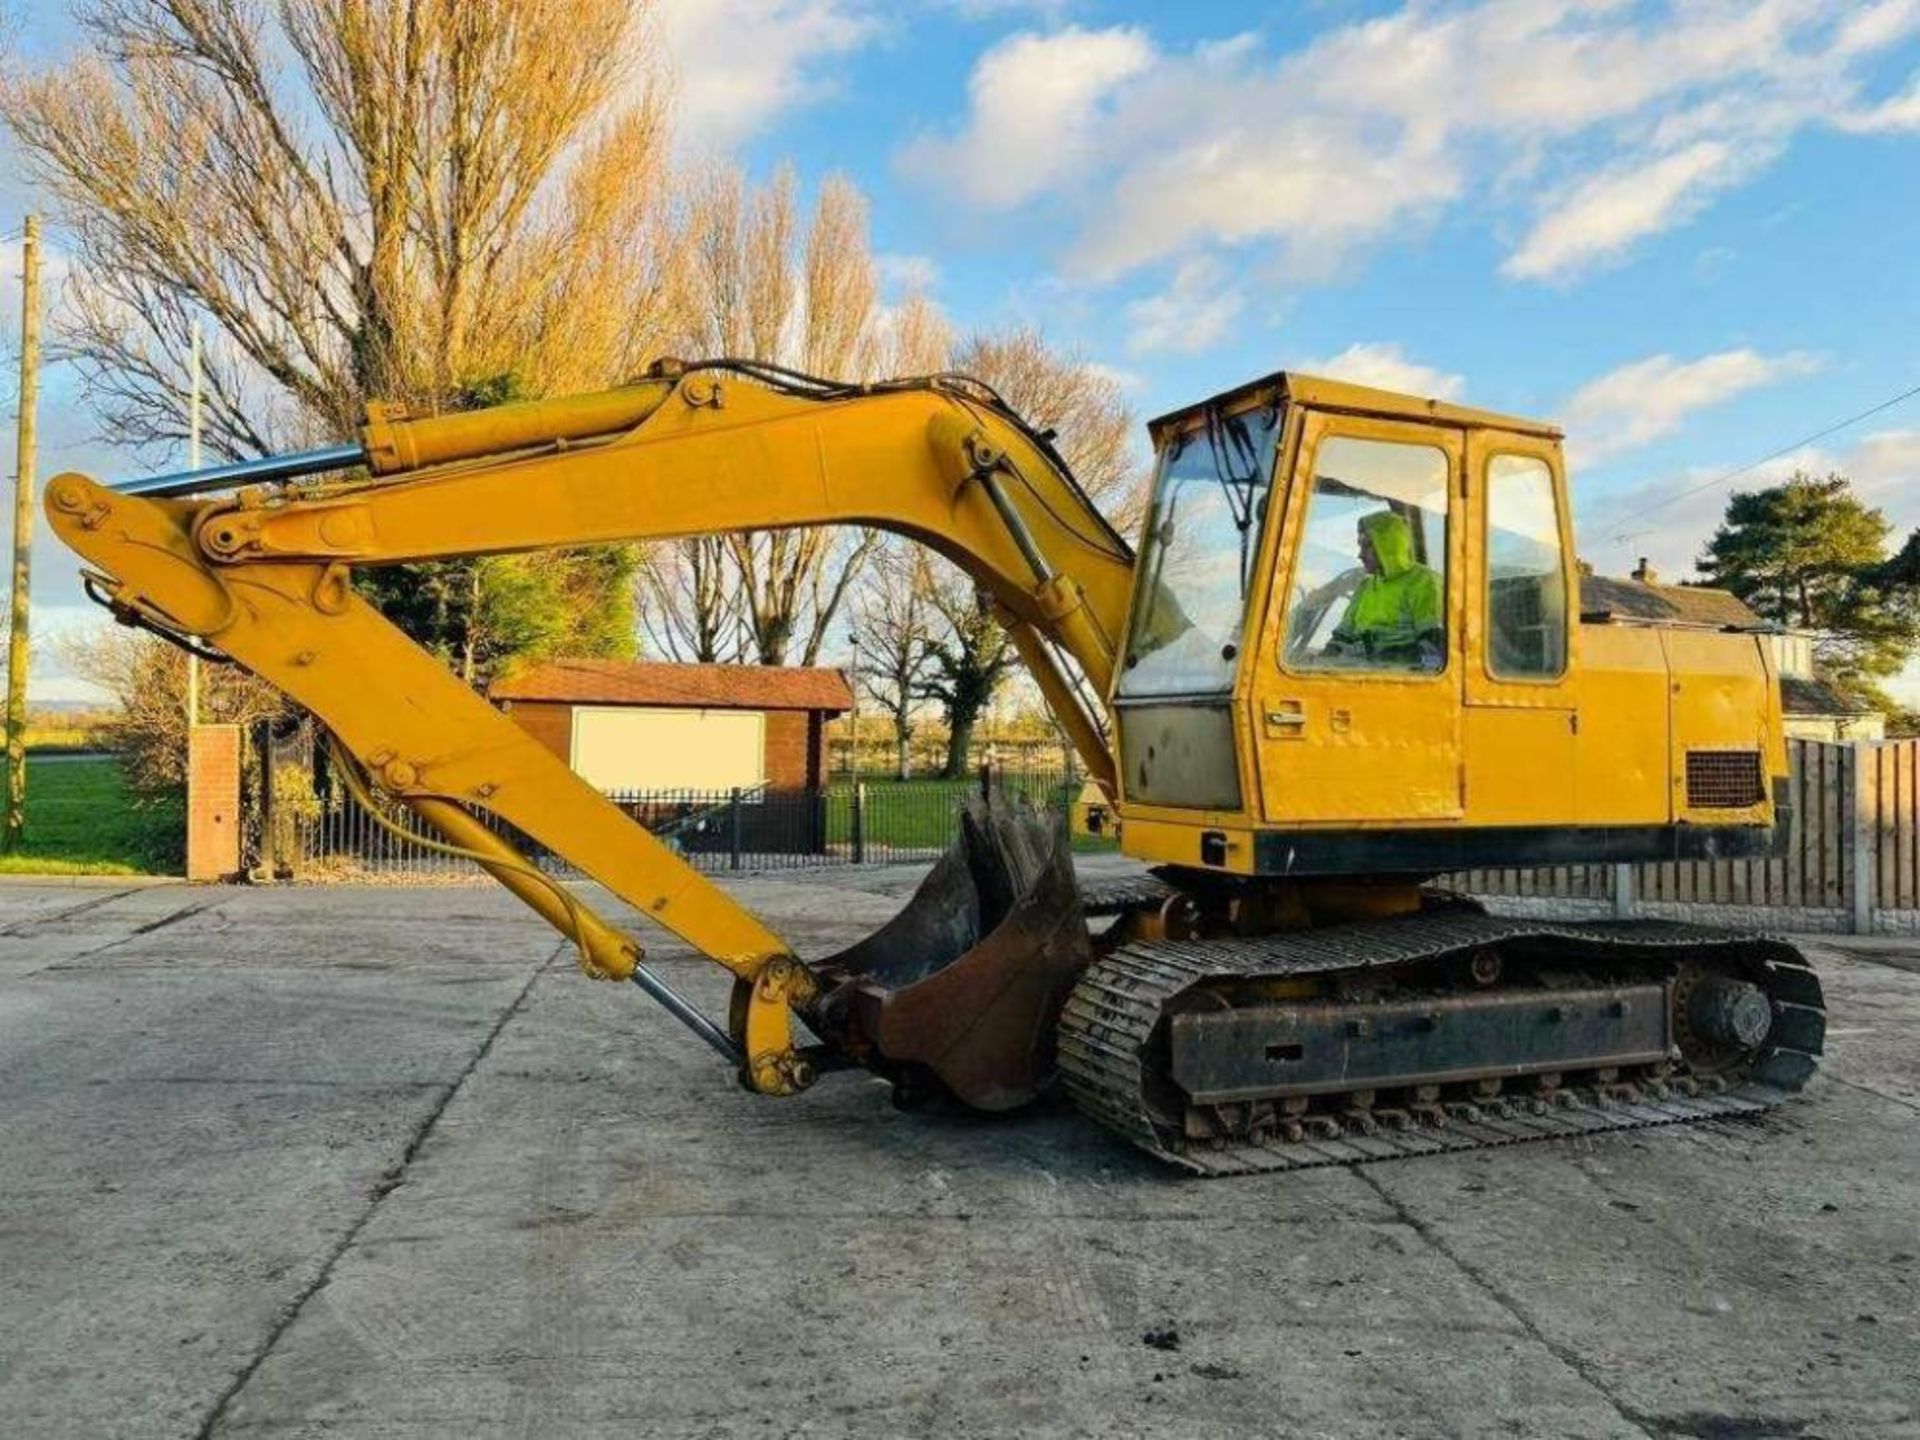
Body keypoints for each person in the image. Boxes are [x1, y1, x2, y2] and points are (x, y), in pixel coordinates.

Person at [1325, 509, 1443, 668]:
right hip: (1359, 672)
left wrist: (1387, 658)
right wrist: (1322, 659)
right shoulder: (1365, 587)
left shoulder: (1424, 582)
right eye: (1360, 546)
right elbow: (1341, 637)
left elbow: (1435, 649)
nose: (1360, 555)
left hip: (1395, 680)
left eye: (1367, 547)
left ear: (1388, 544)